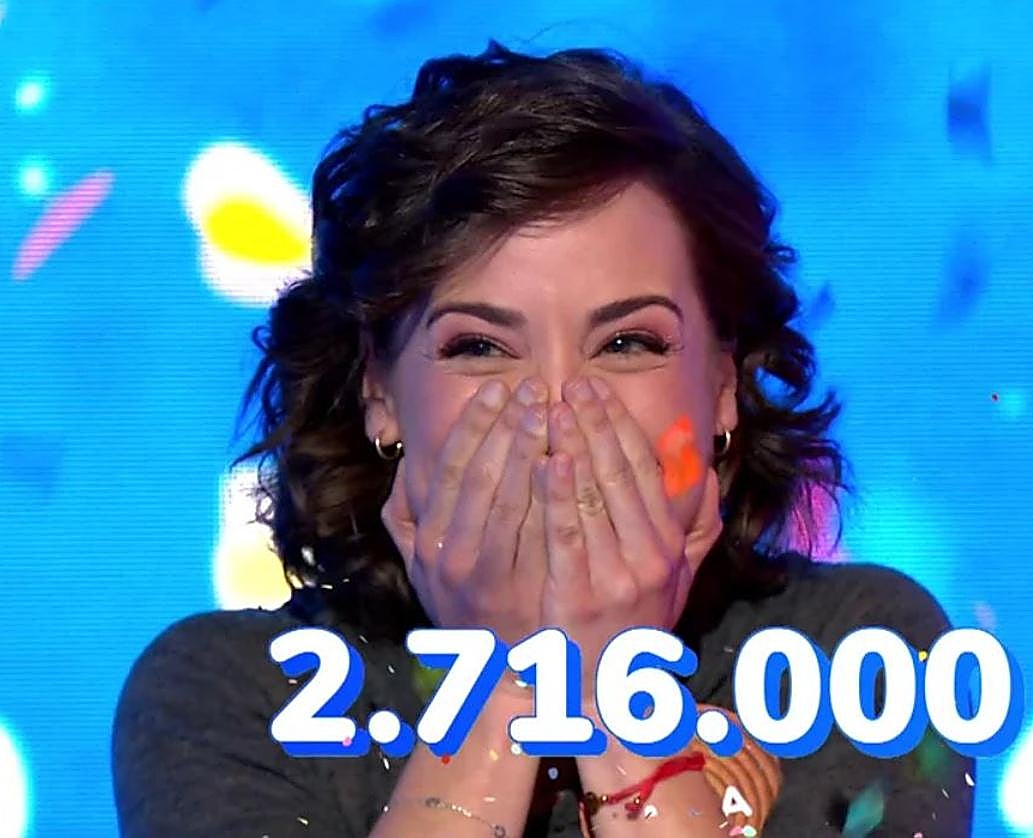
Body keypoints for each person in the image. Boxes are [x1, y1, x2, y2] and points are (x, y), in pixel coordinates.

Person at [112, 41, 974, 837]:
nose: (556, 410)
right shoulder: (232, 694)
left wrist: (608, 684)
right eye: (480, 348)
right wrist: (507, 675)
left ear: (721, 385)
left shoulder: (860, 657)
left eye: (627, 342)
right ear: (380, 392)